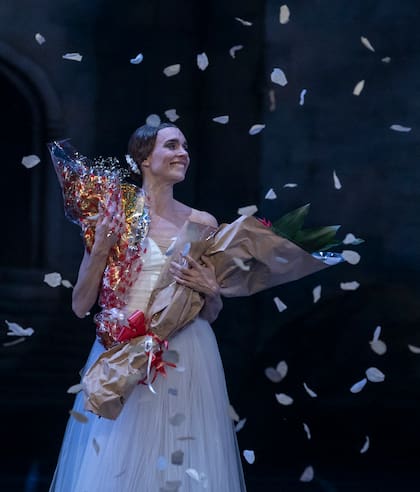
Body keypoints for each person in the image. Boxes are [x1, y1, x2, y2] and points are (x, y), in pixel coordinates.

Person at [49, 123, 247, 491]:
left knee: (187, 458)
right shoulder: (113, 217)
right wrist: (101, 248)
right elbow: (80, 305)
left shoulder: (202, 224)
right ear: (143, 158)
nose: (183, 152)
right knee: (119, 460)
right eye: (171, 145)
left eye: (185, 146)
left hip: (187, 352)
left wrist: (212, 290)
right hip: (128, 351)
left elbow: (210, 310)